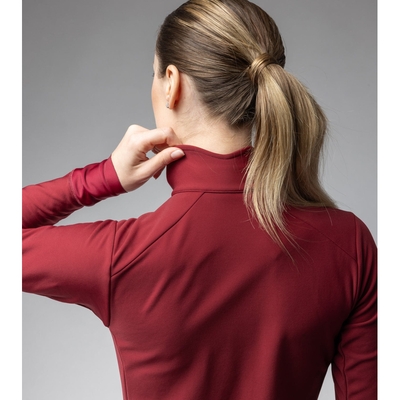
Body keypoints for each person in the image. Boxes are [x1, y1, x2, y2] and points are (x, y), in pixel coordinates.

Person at [22, 0, 377, 399]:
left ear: (171, 83)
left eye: (154, 74)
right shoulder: (350, 244)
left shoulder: (124, 256)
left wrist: (103, 177)